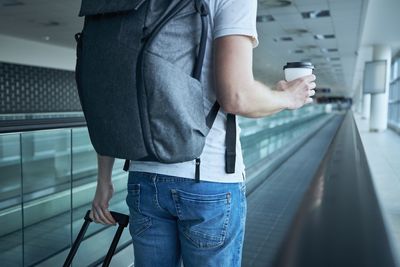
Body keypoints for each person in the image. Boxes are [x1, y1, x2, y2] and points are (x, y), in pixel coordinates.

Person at [89, 0, 316, 266]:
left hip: (143, 177)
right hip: (208, 179)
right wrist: (287, 98)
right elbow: (237, 96)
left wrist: (103, 179)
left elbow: (110, 94)